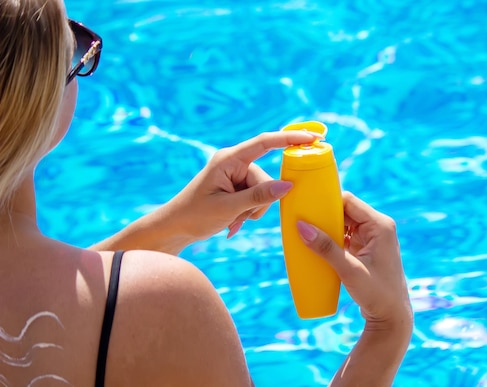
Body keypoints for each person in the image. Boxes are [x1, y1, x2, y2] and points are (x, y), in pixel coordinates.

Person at [0, 0, 414, 385]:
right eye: (73, 45)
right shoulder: (170, 306)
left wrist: (172, 227)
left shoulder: (141, 301)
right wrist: (388, 332)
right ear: (37, 92)